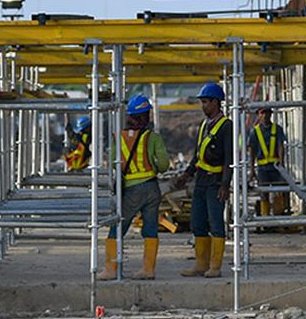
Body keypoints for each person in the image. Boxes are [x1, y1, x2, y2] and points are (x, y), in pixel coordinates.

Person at [99, 94, 170, 280]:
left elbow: (114, 164)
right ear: (146, 116)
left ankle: (110, 270)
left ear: (129, 116)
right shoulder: (153, 138)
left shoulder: (119, 138)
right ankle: (148, 270)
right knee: (150, 229)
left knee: (118, 228)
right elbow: (164, 165)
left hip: (131, 190)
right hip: (152, 189)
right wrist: (152, 167)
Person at [175, 81, 232, 278]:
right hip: (201, 181)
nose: (203, 106)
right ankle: (201, 264)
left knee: (216, 223)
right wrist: (186, 174)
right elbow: (198, 155)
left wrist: (225, 184)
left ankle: (215, 266)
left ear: (216, 102)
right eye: (202, 102)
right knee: (197, 222)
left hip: (216, 181)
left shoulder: (226, 126)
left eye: (206, 102)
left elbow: (229, 159)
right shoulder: (204, 126)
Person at [249, 108, 289, 217]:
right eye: (263, 113)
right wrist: (252, 169)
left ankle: (278, 215)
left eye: (268, 113)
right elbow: (252, 151)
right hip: (262, 167)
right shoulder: (255, 132)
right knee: (263, 193)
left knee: (279, 191)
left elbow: (281, 146)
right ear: (258, 115)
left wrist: (281, 163)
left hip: (276, 167)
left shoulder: (277, 129)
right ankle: (265, 217)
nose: (265, 115)